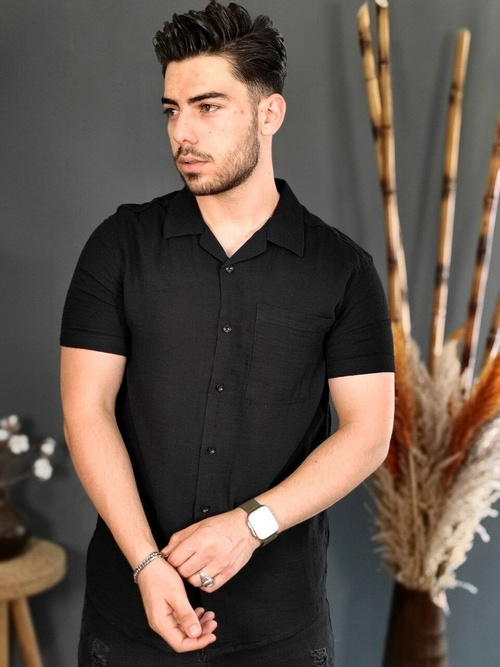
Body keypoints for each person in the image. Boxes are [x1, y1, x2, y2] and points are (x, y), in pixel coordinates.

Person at [60, 1, 395, 665]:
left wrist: (251, 525)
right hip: (129, 616)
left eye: (207, 106)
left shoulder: (343, 270)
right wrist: (147, 564)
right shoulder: (118, 246)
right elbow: (86, 409)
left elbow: (368, 433)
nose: (182, 132)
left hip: (280, 628)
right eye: (171, 110)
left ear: (270, 113)